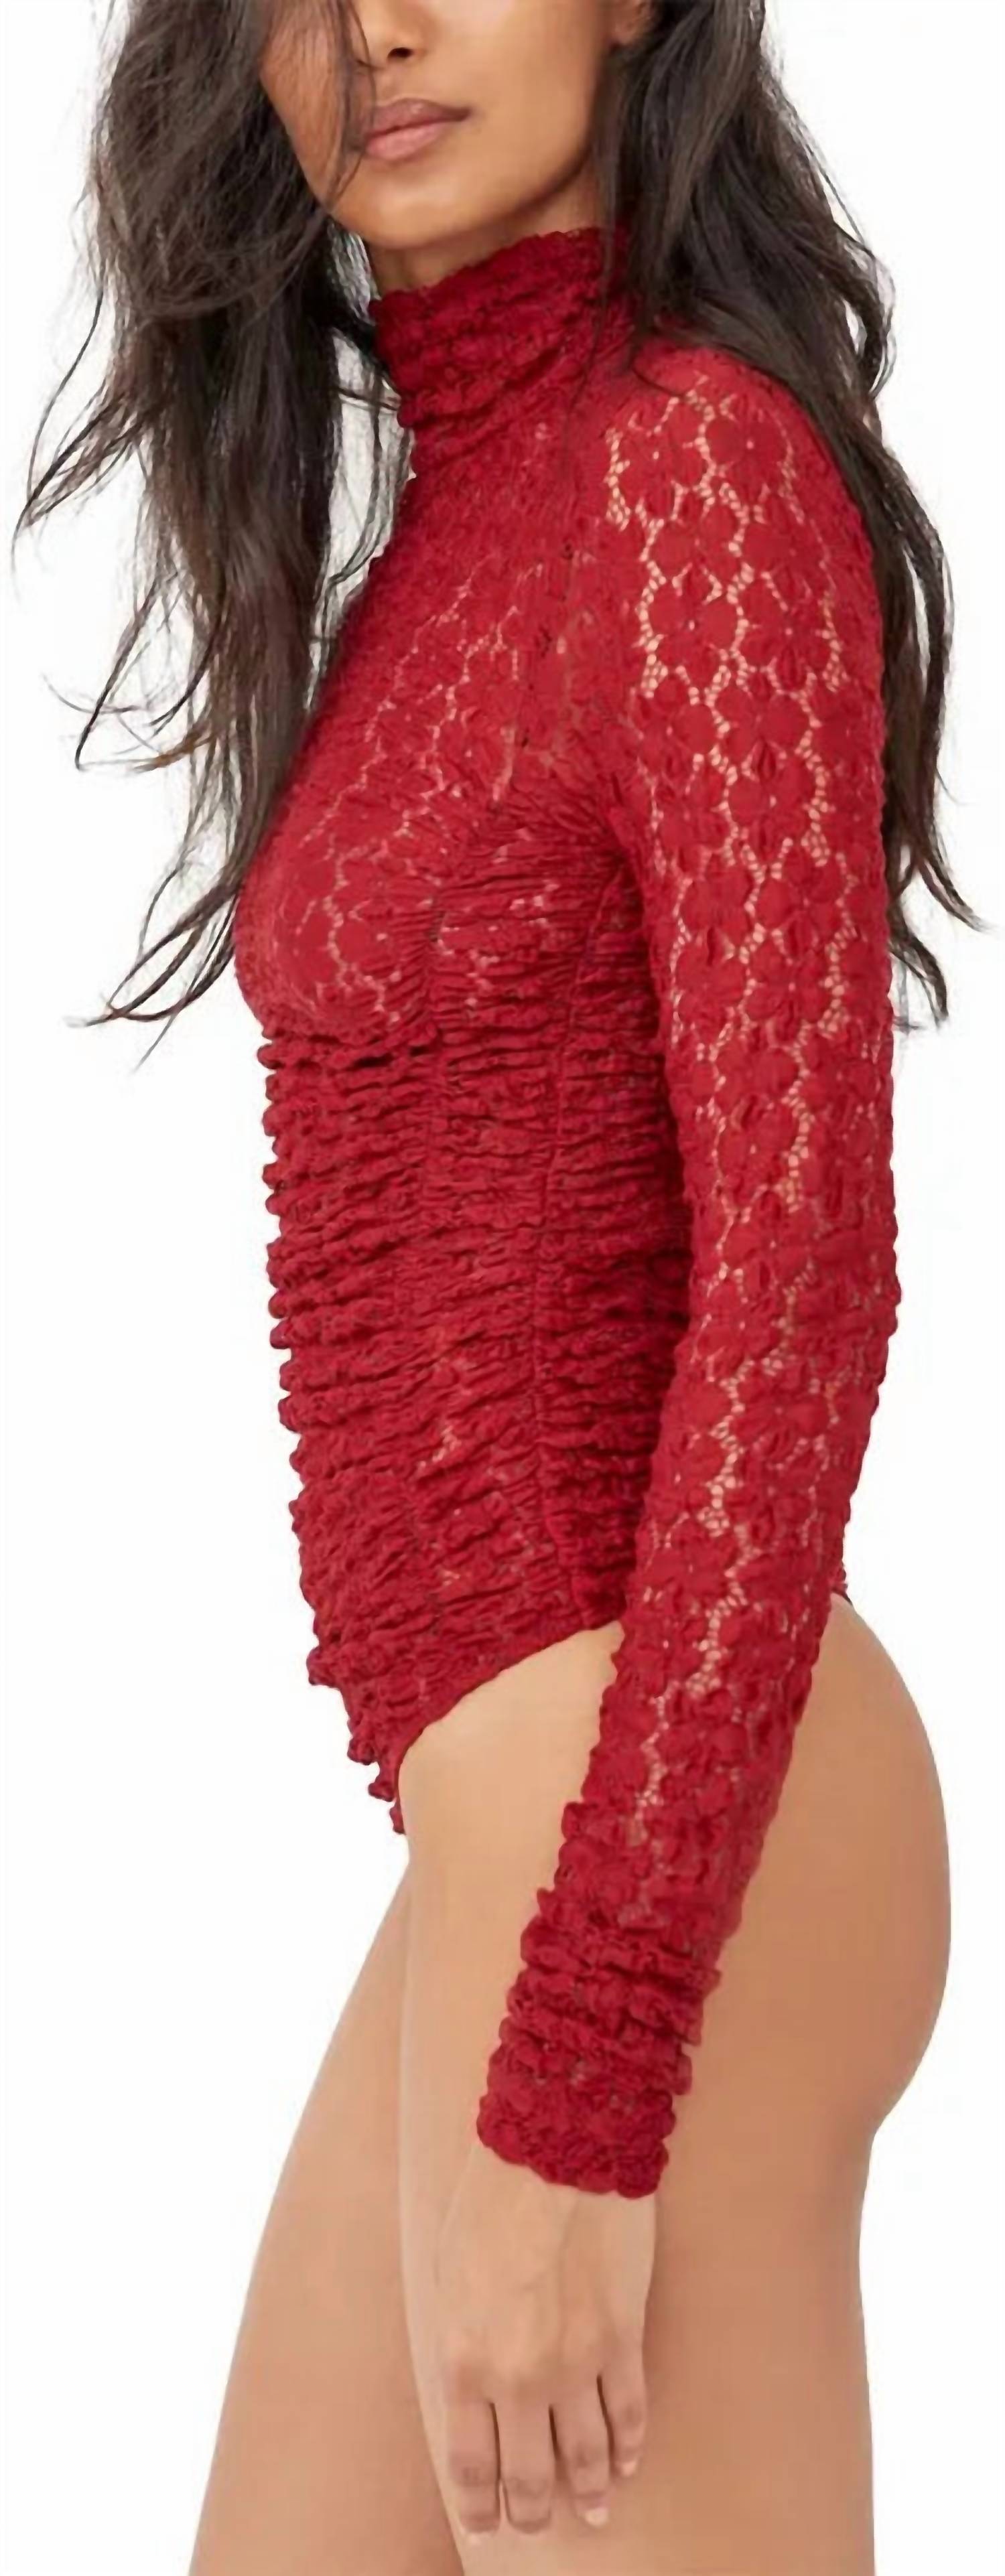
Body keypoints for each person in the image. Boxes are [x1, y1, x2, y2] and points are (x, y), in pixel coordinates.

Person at [16, 1, 975, 2566]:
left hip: (670, 1837)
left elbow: (799, 1283)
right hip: (521, 1831)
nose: (379, 28)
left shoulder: (692, 467)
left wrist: (592, 2057)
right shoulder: (457, 512)